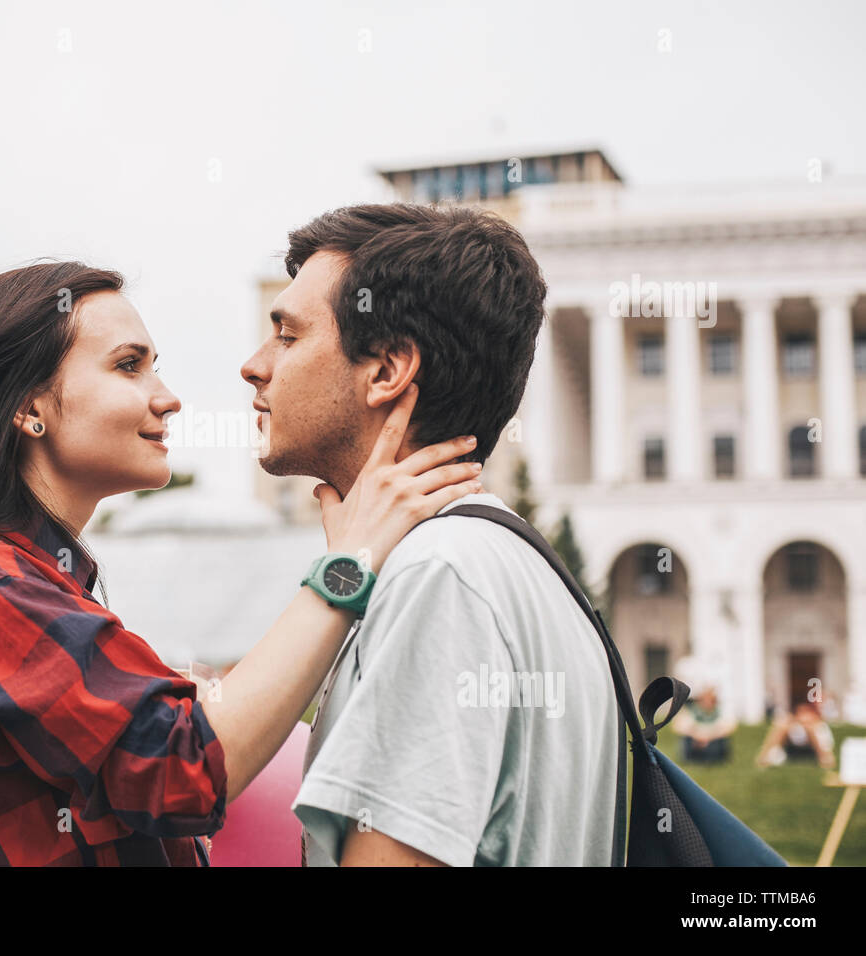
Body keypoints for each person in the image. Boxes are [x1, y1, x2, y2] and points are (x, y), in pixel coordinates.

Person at [0, 260, 482, 866]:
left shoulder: (19, 583)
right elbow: (186, 767)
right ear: (28, 407)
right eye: (129, 367)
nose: (170, 399)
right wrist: (347, 566)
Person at [238, 203, 622, 866]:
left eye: (288, 336)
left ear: (386, 370)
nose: (255, 364)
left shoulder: (439, 575)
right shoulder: (505, 557)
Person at [756, 700, 836, 770]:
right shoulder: (792, 726)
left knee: (810, 729)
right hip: (793, 751)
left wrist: (810, 730)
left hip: (813, 753)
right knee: (782, 728)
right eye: (801, 712)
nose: (803, 716)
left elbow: (827, 751)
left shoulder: (820, 727)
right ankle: (763, 759)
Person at [676, 685, 737, 764]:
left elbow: (729, 728)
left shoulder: (720, 713)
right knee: (686, 740)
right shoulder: (692, 712)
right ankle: (689, 760)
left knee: (720, 742)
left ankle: (715, 760)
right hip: (695, 740)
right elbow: (679, 727)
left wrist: (709, 738)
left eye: (710, 700)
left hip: (713, 739)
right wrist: (698, 737)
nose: (707, 703)